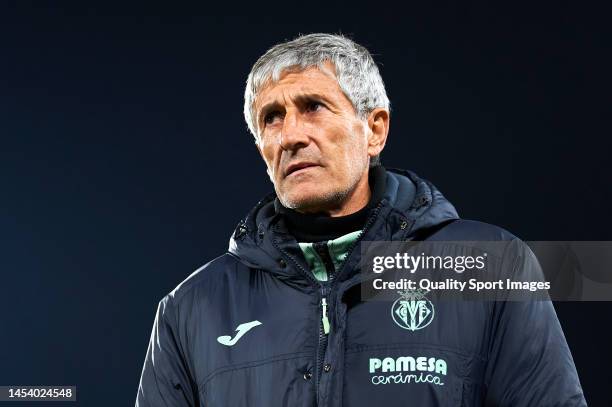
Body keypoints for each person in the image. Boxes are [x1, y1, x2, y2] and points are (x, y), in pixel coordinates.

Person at [136, 33, 586, 406]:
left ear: (374, 130)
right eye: (272, 118)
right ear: (262, 151)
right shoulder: (190, 308)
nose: (291, 135)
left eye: (313, 106)